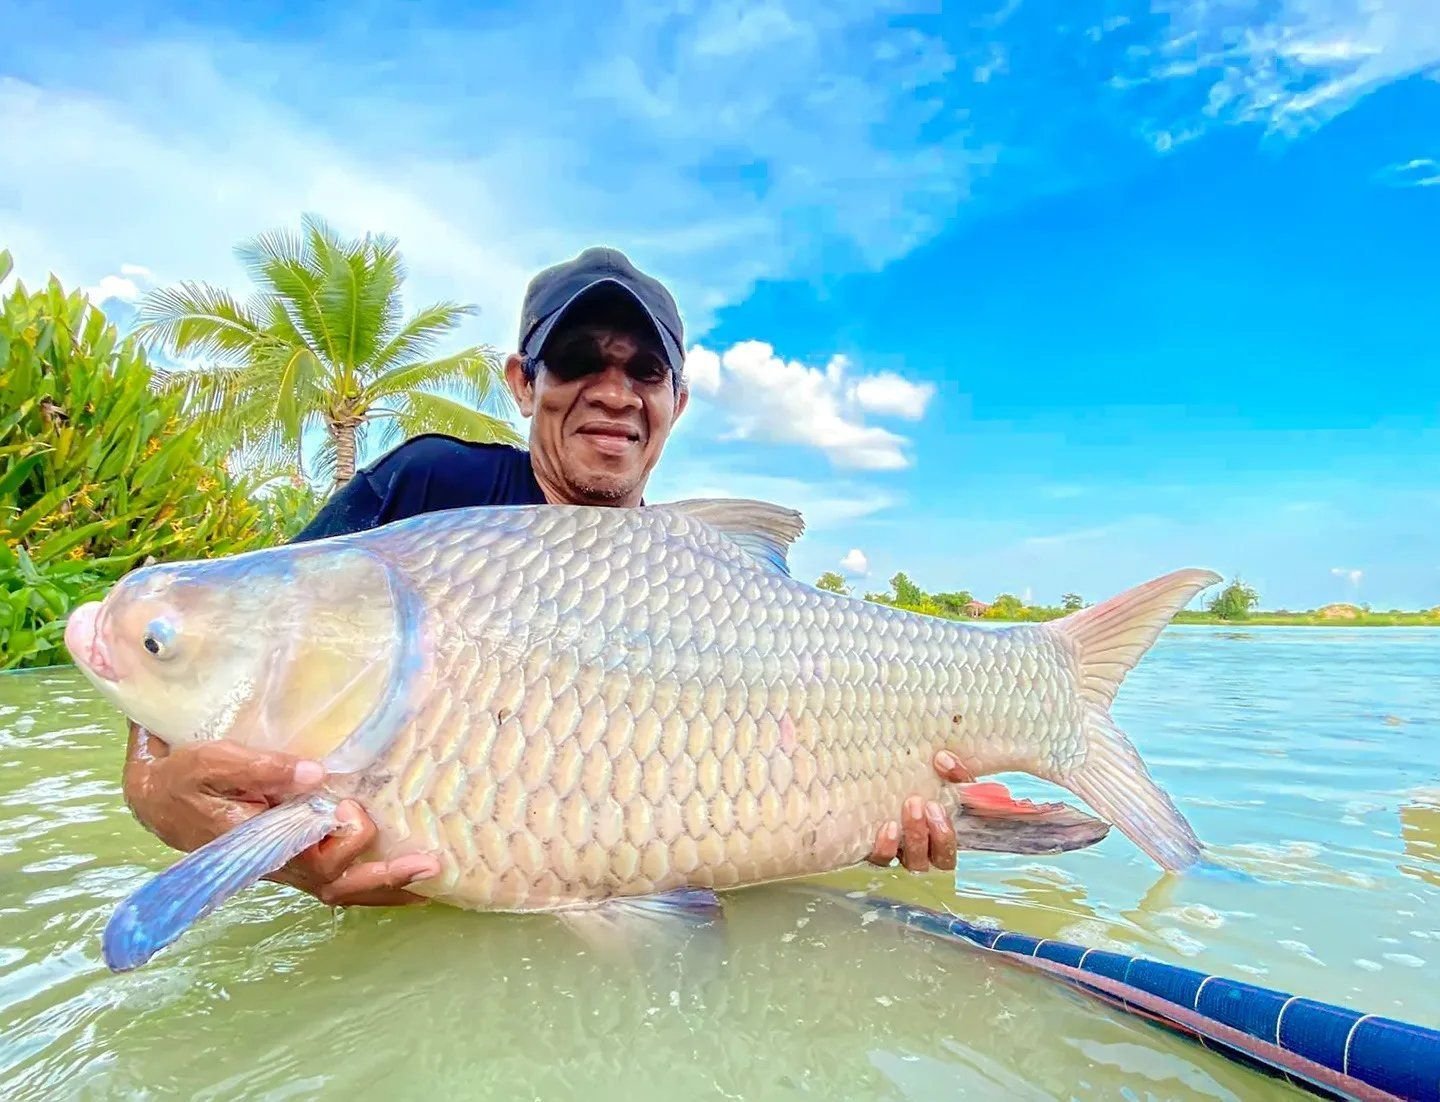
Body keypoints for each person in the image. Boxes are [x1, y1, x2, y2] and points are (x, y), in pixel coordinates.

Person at [120, 246, 972, 908]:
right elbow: (230, 647)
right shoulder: (428, 492)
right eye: (576, 360)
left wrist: (871, 818)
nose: (614, 392)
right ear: (524, 383)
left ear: (676, 401)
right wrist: (160, 798)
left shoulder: (711, 578)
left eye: (644, 371)